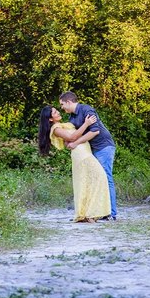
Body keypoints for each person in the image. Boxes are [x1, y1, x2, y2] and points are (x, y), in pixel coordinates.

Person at [37, 106, 111, 222]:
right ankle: (90, 213)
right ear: (51, 119)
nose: (58, 112)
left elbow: (69, 140)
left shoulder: (63, 125)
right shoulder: (56, 128)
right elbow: (72, 136)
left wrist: (71, 141)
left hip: (85, 151)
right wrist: (86, 124)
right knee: (100, 177)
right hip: (81, 154)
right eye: (55, 112)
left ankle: (88, 214)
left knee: (88, 182)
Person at [59, 92, 117, 221]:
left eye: (62, 104)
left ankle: (111, 213)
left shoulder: (87, 109)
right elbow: (74, 135)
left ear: (69, 102)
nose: (62, 108)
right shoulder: (71, 118)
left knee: (106, 177)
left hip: (103, 147)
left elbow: (95, 131)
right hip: (91, 150)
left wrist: (76, 143)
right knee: (95, 179)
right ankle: (97, 211)